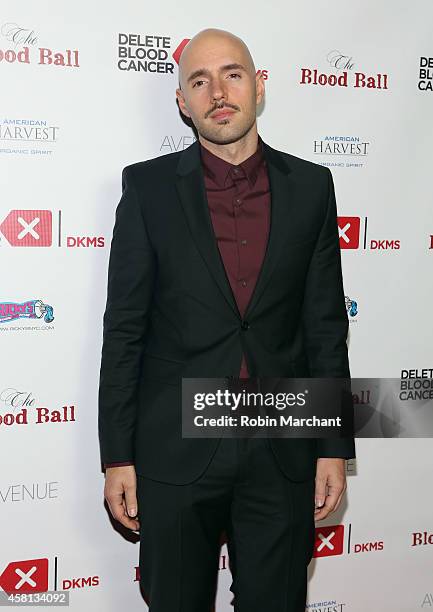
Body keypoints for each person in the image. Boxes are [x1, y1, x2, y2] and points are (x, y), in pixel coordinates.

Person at [98, 27, 356, 612]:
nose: (218, 91)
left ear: (258, 85)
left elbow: (324, 326)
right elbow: (125, 333)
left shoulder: (312, 187)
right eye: (199, 80)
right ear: (182, 102)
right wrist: (118, 457)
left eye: (232, 74)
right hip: (174, 450)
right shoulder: (147, 188)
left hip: (280, 447)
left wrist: (333, 446)